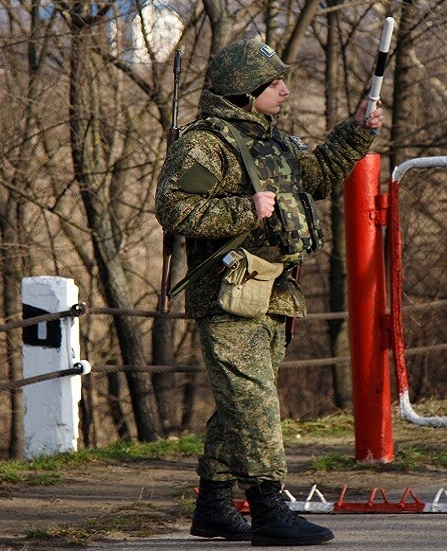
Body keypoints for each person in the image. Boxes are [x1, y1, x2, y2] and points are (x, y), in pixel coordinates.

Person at [155, 39, 383, 546]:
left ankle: (213, 506)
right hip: (229, 294)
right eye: (273, 83)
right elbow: (174, 209)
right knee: (254, 402)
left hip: (276, 293)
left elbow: (321, 175)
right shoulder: (205, 144)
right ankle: (268, 507)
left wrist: (357, 132)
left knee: (241, 403)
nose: (284, 89)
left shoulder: (274, 141)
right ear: (244, 92)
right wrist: (245, 210)